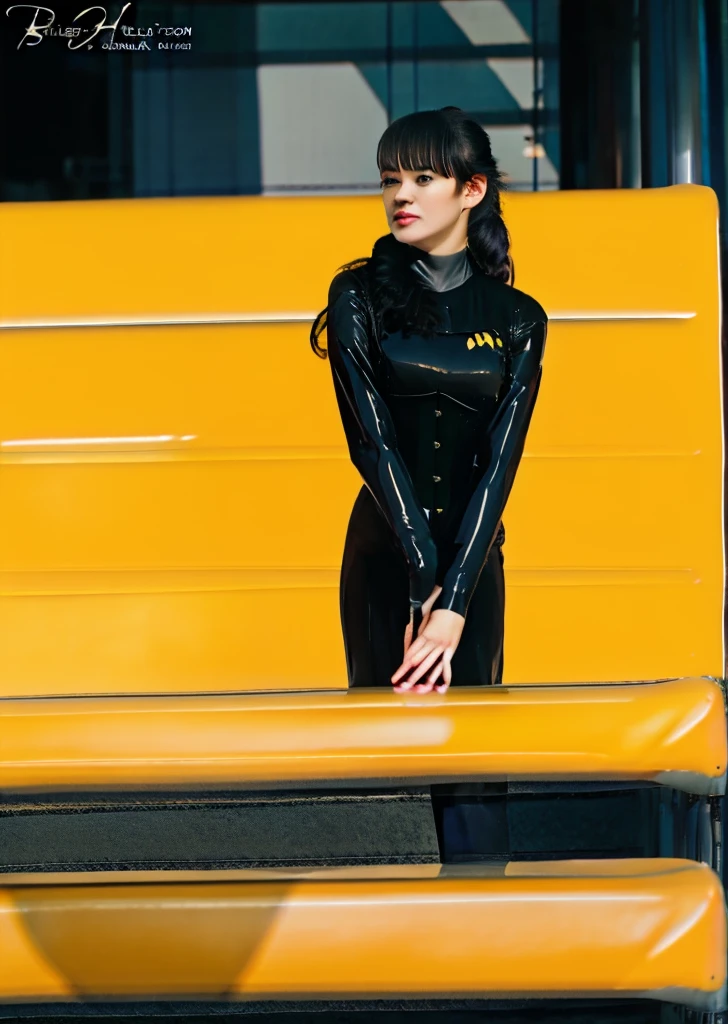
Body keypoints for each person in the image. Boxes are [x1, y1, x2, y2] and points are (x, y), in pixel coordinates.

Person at [310, 106, 548, 695]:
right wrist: (420, 569)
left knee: (473, 765)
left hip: (472, 566)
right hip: (384, 556)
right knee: (384, 755)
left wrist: (455, 596)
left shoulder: (519, 317)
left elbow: (501, 462)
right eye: (390, 179)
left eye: (422, 179)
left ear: (471, 189)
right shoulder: (357, 294)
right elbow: (371, 442)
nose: (400, 195)